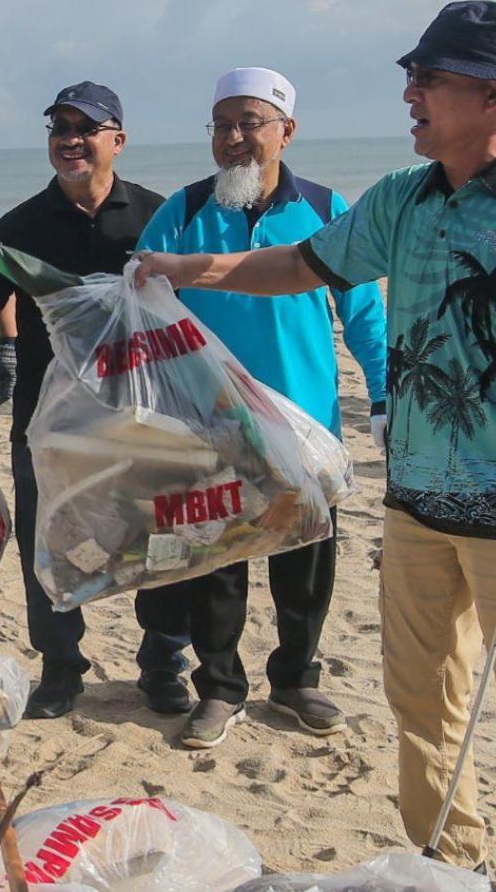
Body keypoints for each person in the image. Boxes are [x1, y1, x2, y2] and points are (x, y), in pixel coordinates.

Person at [134, 0, 496, 892]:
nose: (409, 94)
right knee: (425, 708)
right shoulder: (406, 199)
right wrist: (185, 264)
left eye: (432, 80)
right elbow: (302, 264)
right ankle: (452, 873)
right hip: (417, 501)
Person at [134, 68, 389, 749]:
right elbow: (140, 311)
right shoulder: (183, 212)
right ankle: (219, 689)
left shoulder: (327, 208)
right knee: (217, 561)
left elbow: (363, 315)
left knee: (305, 555)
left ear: (286, 131)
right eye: (222, 125)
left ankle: (297, 678)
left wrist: (386, 392)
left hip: (306, 420)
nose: (235, 138)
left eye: (250, 122)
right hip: (209, 424)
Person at [0, 82, 192, 719]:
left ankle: (163, 662)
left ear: (118, 141)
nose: (70, 140)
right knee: (46, 540)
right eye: (59, 129)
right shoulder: (18, 229)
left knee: (161, 536)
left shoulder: (160, 219)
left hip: (144, 413)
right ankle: (60, 666)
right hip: (51, 422)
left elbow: (197, 310)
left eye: (86, 128)